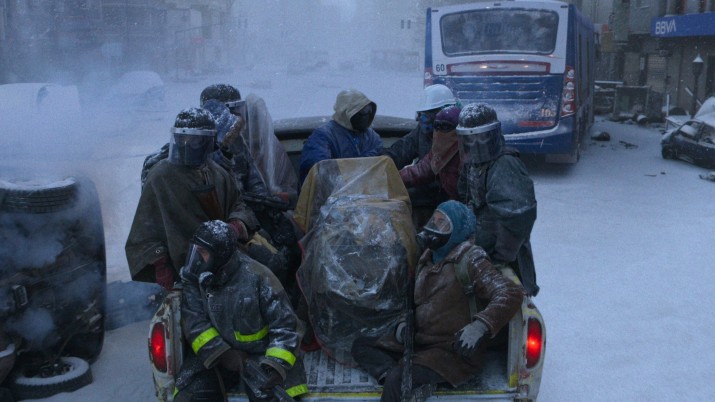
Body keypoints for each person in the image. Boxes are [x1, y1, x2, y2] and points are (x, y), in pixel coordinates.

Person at [350, 200, 524, 402]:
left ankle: (400, 382)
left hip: (450, 352)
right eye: (434, 220)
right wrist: (403, 325)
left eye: (443, 223)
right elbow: (412, 301)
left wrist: (480, 326)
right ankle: (405, 382)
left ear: (457, 231)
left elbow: (510, 293)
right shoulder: (428, 257)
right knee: (361, 345)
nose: (434, 227)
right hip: (422, 340)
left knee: (397, 381)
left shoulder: (470, 259)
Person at [125, 107, 258, 291]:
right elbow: (144, 233)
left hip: (227, 263)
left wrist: (236, 224)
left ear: (208, 142)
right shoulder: (161, 177)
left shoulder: (219, 173)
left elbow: (239, 204)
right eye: (183, 139)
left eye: (195, 140)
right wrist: (159, 263)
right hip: (183, 272)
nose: (187, 144)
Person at [175, 220, 308, 401]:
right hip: (217, 357)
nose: (196, 259)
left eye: (203, 252)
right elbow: (194, 321)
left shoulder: (258, 277)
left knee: (270, 396)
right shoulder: (195, 279)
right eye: (195, 250)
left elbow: (286, 327)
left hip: (262, 356)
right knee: (191, 394)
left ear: (219, 255)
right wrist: (222, 353)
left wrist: (275, 365)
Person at [456, 103, 539, 296]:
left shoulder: (504, 165)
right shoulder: (473, 164)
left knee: (508, 301)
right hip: (479, 245)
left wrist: (500, 258)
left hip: (503, 255)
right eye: (470, 138)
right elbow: (464, 196)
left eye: (481, 137)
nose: (475, 144)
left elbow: (517, 216)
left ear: (493, 134)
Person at [298, 89, 382, 184]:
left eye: (369, 110)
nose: (367, 114)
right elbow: (321, 169)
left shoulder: (372, 137)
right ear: (345, 112)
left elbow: (377, 163)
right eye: (362, 111)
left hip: (369, 191)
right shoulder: (323, 136)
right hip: (331, 192)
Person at [382, 84, 457, 169]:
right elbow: (403, 148)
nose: (418, 119)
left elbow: (427, 170)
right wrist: (385, 159)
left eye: (423, 115)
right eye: (419, 114)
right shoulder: (422, 132)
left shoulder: (455, 137)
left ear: (439, 115)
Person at [399, 105, 462, 200]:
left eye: (445, 127)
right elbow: (420, 171)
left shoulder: (466, 154)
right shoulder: (438, 152)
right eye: (437, 126)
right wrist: (391, 178)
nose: (439, 131)